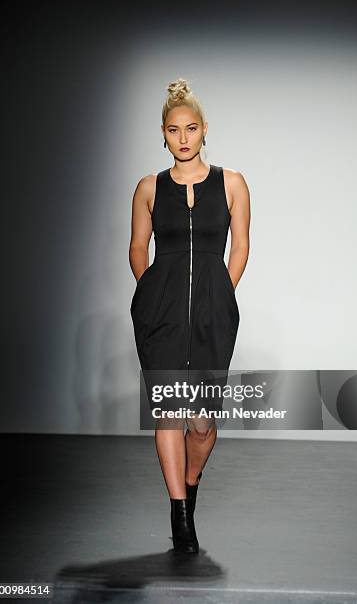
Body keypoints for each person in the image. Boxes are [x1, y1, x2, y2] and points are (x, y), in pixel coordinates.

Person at [129, 77, 250, 553]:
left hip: (212, 311)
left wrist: (222, 291)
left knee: (201, 421)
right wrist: (151, 291)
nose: (183, 138)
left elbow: (240, 244)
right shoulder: (148, 188)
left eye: (191, 128)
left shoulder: (233, 182)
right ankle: (181, 519)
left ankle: (191, 482)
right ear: (163, 134)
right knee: (169, 413)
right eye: (174, 130)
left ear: (204, 131)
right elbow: (139, 246)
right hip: (161, 313)